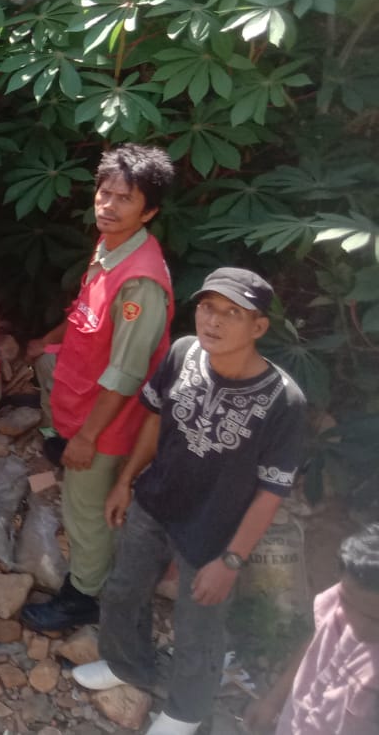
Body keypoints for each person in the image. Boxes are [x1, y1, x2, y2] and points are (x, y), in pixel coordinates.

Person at [73, 268, 308, 735]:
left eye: (232, 313)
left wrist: (233, 559)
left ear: (259, 327)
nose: (213, 321)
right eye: (207, 307)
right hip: (155, 501)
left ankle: (186, 710)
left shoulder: (285, 401)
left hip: (214, 528)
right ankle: (126, 666)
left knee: (198, 625)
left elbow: (272, 490)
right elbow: (155, 419)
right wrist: (126, 481)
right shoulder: (184, 353)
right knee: (123, 590)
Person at [22, 145, 176, 634]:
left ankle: (84, 596)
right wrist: (48, 341)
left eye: (123, 199)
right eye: (103, 193)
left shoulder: (142, 283)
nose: (107, 206)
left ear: (149, 210)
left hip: (106, 424)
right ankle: (63, 440)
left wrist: (87, 438)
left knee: (85, 512)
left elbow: (127, 374)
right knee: (81, 494)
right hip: (80, 401)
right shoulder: (111, 247)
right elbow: (87, 319)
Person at [245, 524, 379, 734]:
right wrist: (273, 701)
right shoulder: (347, 595)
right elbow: (315, 645)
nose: (355, 625)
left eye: (374, 619)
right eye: (346, 602)